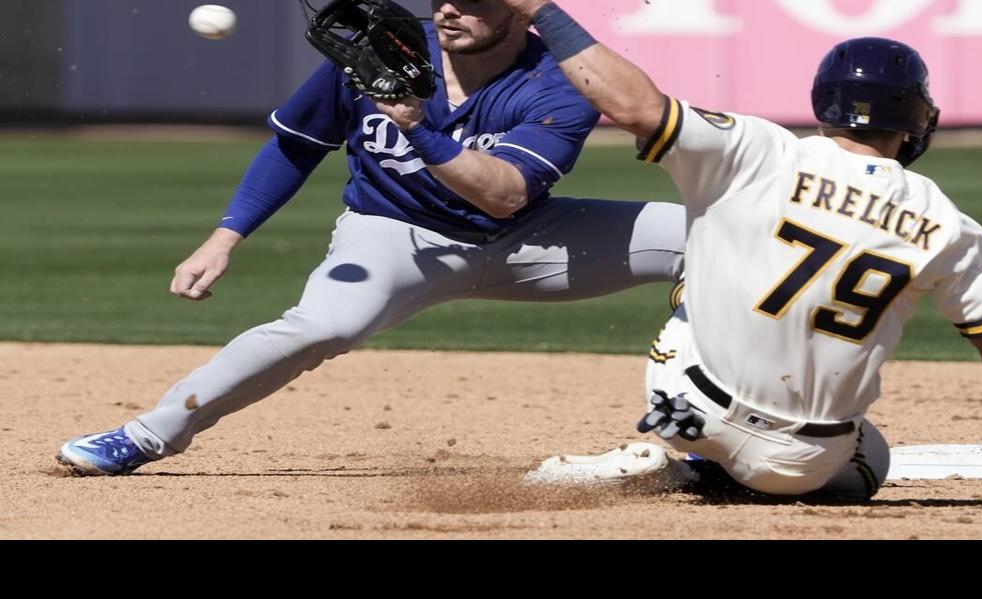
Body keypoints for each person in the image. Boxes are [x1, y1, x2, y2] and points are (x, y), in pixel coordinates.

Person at [509, 0, 982, 497]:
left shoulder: (756, 150)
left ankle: (679, 445)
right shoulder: (949, 224)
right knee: (868, 464)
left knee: (704, 252)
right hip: (799, 463)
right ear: (913, 117)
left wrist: (540, 10)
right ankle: (697, 478)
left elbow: (634, 105)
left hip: (682, 399)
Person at [55, 0, 685, 476]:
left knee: (714, 239)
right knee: (319, 327)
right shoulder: (383, 48)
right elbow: (295, 145)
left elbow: (504, 194)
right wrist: (225, 236)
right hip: (392, 234)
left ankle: (716, 436)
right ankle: (147, 435)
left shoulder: (557, 82)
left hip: (530, 237)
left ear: (520, 12)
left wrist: (419, 129)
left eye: (472, 0)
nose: (448, 10)